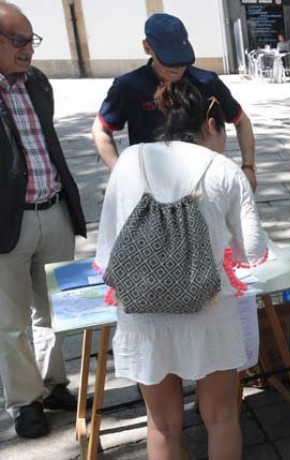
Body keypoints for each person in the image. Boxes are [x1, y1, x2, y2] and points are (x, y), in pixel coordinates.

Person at [94, 79, 268, 459]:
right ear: (212, 125)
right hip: (208, 308)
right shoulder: (223, 168)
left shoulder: (129, 160)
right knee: (221, 418)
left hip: (142, 313)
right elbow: (252, 250)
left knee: (160, 424)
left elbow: (107, 250)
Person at [0, 3, 86, 439]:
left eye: (31, 39)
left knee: (54, 310)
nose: (28, 49)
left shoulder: (37, 83)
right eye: (18, 40)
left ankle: (54, 385)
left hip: (52, 209)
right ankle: (24, 400)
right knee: (11, 322)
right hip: (5, 227)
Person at [91, 13, 258, 191]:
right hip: (150, 187)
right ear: (147, 47)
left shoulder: (206, 82)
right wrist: (120, 173)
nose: (178, 68)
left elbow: (242, 121)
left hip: (203, 186)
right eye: (169, 60)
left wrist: (248, 167)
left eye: (182, 59)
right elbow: (100, 129)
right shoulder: (129, 86)